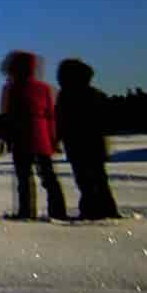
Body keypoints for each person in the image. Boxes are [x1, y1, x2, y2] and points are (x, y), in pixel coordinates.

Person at [0, 50, 68, 221]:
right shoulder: (44, 88)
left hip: (21, 139)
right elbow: (51, 116)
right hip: (42, 139)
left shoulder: (10, 89)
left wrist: (3, 138)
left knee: (24, 178)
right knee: (49, 178)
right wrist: (53, 139)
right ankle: (58, 211)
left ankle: (26, 211)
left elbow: (6, 117)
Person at [56, 58, 122, 220]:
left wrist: (56, 138)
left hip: (77, 144)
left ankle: (91, 211)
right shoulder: (96, 95)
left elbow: (61, 120)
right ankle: (107, 210)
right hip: (94, 144)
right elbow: (106, 120)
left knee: (86, 180)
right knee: (99, 179)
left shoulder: (66, 96)